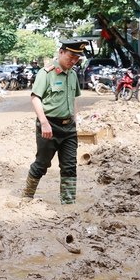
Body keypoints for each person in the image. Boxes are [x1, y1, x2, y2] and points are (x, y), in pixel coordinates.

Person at [22, 39, 88, 205]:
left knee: (70, 166)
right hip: (49, 126)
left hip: (69, 128)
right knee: (42, 164)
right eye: (71, 57)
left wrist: (74, 120)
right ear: (61, 52)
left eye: (77, 59)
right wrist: (43, 122)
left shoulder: (72, 74)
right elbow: (35, 98)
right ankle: (26, 197)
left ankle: (68, 203)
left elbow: (72, 99)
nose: (73, 61)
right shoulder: (46, 73)